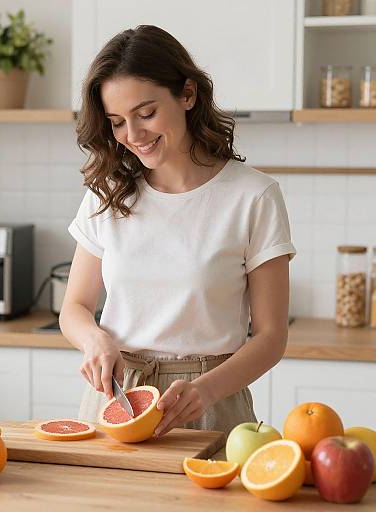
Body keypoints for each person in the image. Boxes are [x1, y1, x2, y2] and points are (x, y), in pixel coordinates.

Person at [59, 25, 296, 438]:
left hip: (212, 402)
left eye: (146, 113)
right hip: (115, 397)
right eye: (117, 122)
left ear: (187, 94)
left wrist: (206, 390)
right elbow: (74, 308)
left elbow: (272, 337)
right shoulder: (109, 194)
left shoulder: (253, 196)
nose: (133, 136)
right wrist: (95, 341)